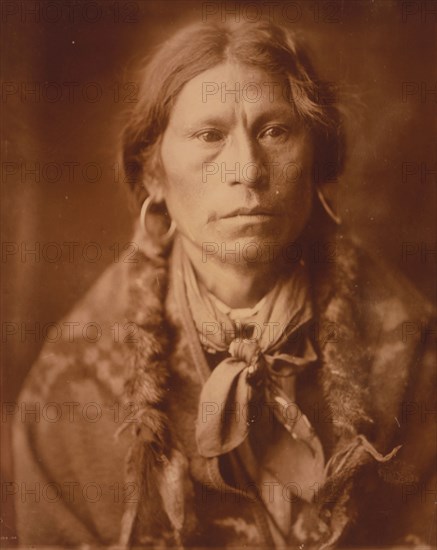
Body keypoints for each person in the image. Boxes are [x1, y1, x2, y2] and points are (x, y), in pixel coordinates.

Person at [13, 20, 436, 549]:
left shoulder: (409, 345)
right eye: (209, 135)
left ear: (318, 160)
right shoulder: (76, 376)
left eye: (273, 131)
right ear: (154, 174)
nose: (247, 169)